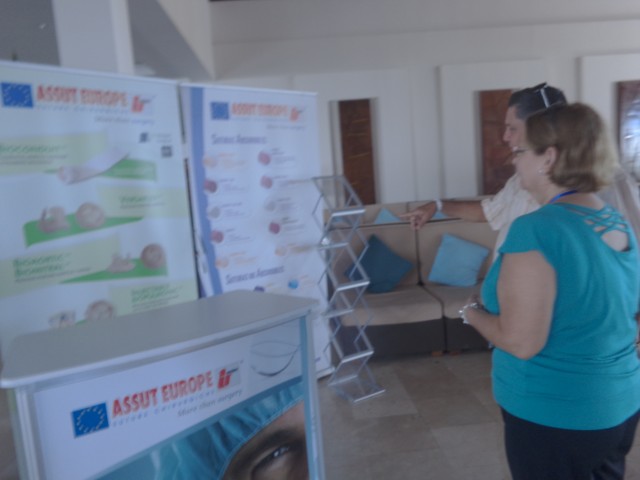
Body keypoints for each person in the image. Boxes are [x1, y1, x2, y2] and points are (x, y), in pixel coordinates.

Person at [460, 103, 640, 479]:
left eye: (520, 151)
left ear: (549, 158)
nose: (514, 161)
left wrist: (472, 314)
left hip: (555, 412)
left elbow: (522, 342)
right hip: (618, 405)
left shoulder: (537, 229)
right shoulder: (615, 221)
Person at [401, 83, 640, 257]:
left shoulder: (609, 180)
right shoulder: (521, 180)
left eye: (512, 128)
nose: (505, 137)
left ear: (543, 128)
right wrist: (438, 206)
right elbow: (490, 211)